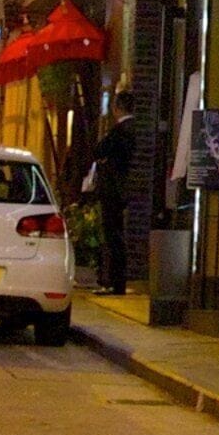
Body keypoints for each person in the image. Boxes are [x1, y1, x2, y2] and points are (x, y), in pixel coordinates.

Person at [80, 93, 140, 294]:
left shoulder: (119, 131)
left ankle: (115, 282)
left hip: (113, 191)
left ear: (117, 108)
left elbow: (99, 151)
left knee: (113, 236)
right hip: (126, 189)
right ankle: (116, 282)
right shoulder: (136, 130)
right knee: (117, 235)